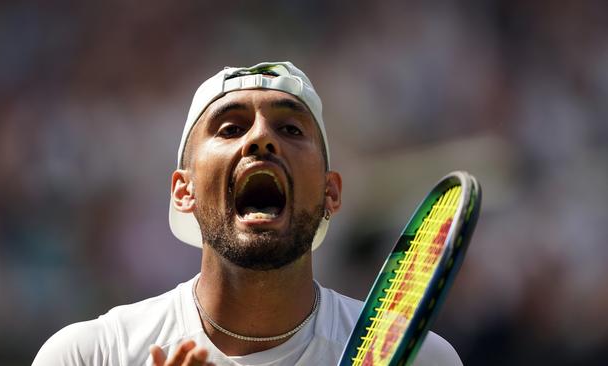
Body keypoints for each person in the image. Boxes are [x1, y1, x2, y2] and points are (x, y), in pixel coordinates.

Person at [32, 61, 463, 366]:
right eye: (231, 128)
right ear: (185, 191)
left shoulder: (422, 359)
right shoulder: (89, 355)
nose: (261, 138)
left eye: (290, 129)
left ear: (331, 192)